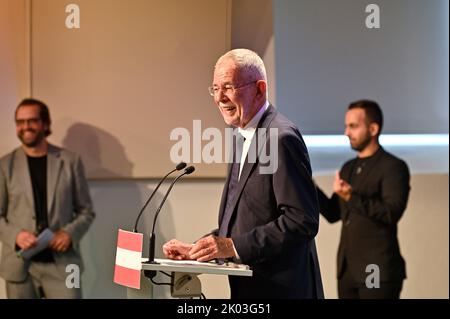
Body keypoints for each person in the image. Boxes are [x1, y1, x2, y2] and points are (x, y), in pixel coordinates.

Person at [163, 49, 323, 299]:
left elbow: (301, 220)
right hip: (251, 290)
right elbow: (247, 220)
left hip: (282, 291)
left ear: (259, 89)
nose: (219, 98)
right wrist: (201, 249)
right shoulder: (243, 135)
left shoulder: (280, 137)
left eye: (228, 87)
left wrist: (231, 246)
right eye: (215, 88)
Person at [0, 98, 95, 298]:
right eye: (20, 122)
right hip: (20, 267)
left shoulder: (70, 161)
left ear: (45, 123)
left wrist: (69, 234)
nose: (25, 127)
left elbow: (86, 211)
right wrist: (16, 235)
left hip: (64, 264)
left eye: (32, 121)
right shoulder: (4, 165)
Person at [316, 100, 410, 299]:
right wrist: (310, 187)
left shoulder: (393, 167)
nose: (346, 132)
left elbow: (390, 212)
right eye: (346, 126)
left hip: (375, 267)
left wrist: (351, 196)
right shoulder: (349, 167)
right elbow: (334, 213)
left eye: (353, 126)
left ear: (373, 128)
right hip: (348, 270)